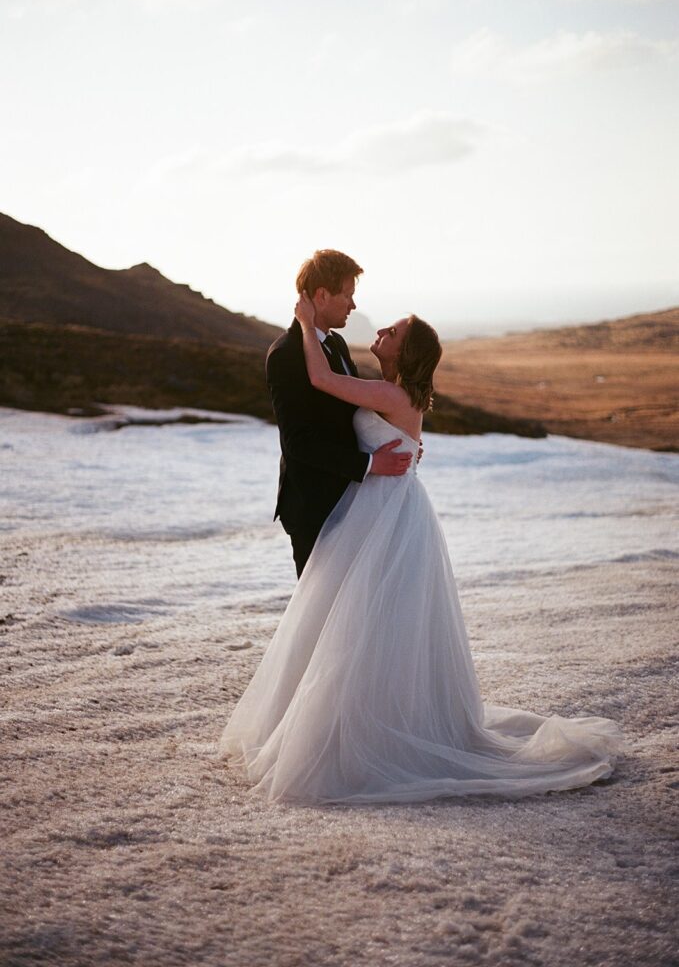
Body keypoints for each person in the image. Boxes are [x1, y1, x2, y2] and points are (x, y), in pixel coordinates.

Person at [218, 293, 623, 805]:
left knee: (368, 621)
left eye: (393, 332)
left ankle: (367, 728)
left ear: (405, 353)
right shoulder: (390, 391)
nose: (381, 330)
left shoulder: (392, 395)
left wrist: (302, 322)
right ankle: (357, 715)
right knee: (360, 619)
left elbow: (321, 381)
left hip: (384, 513)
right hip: (375, 508)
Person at [265, 249, 413, 577]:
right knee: (322, 617)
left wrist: (398, 443)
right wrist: (372, 464)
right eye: (347, 295)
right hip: (314, 507)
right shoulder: (286, 355)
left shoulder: (338, 345)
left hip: (351, 501)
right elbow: (298, 443)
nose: (353, 304)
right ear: (322, 295)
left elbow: (350, 416)